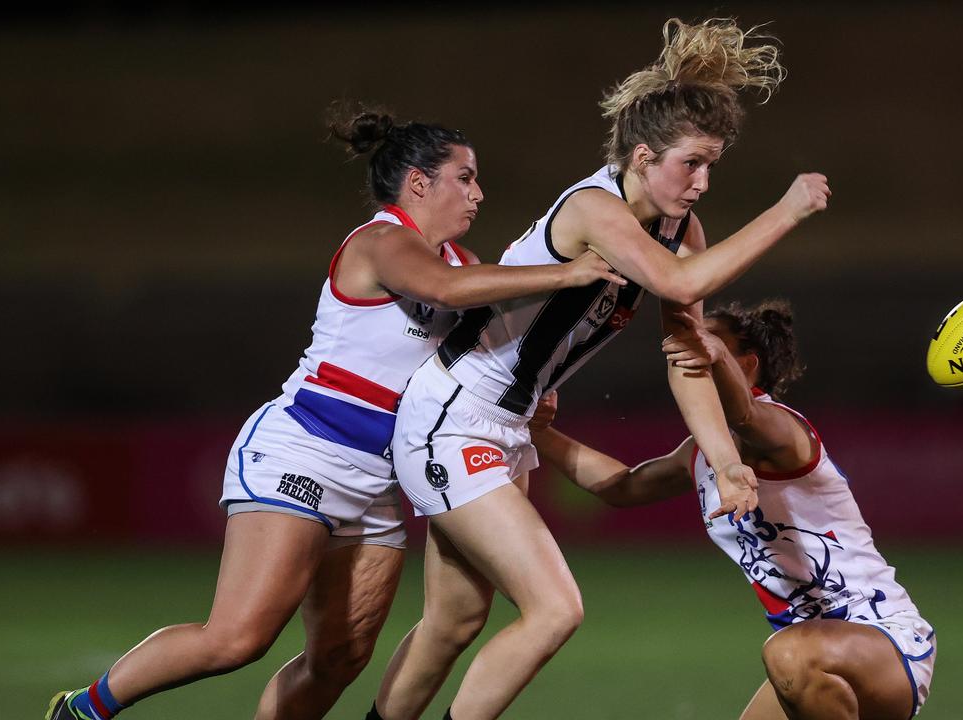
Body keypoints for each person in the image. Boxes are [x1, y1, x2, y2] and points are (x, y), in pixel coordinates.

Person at [45, 105, 624, 720]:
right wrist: (567, 273)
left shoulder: (459, 260)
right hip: (307, 450)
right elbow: (450, 294)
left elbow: (485, 332)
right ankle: (85, 708)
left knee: (340, 658)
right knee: (237, 640)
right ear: (420, 183)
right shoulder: (382, 241)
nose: (479, 193)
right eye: (466, 177)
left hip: (378, 479)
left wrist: (537, 380)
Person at [369, 18, 831, 720]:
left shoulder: (681, 233)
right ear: (643, 156)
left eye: (711, 166)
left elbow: (688, 356)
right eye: (691, 164)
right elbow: (677, 287)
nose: (703, 182)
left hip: (508, 427)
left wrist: (724, 459)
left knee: (453, 624)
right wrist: (785, 212)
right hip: (451, 415)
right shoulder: (595, 209)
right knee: (554, 610)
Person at [531, 300, 937, 719]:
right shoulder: (702, 452)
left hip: (883, 641)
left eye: (708, 340)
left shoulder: (781, 429)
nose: (687, 347)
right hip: (809, 657)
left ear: (746, 364)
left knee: (788, 652)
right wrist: (536, 430)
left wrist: (714, 351)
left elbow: (743, 415)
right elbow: (622, 486)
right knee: (790, 653)